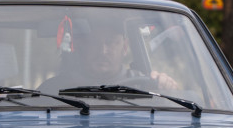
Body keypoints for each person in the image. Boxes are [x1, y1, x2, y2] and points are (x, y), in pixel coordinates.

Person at [42, 20, 178, 92]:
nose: (103, 51)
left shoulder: (145, 86)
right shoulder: (53, 90)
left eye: (112, 43)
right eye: (95, 42)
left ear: (124, 47)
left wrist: (168, 87)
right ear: (82, 46)